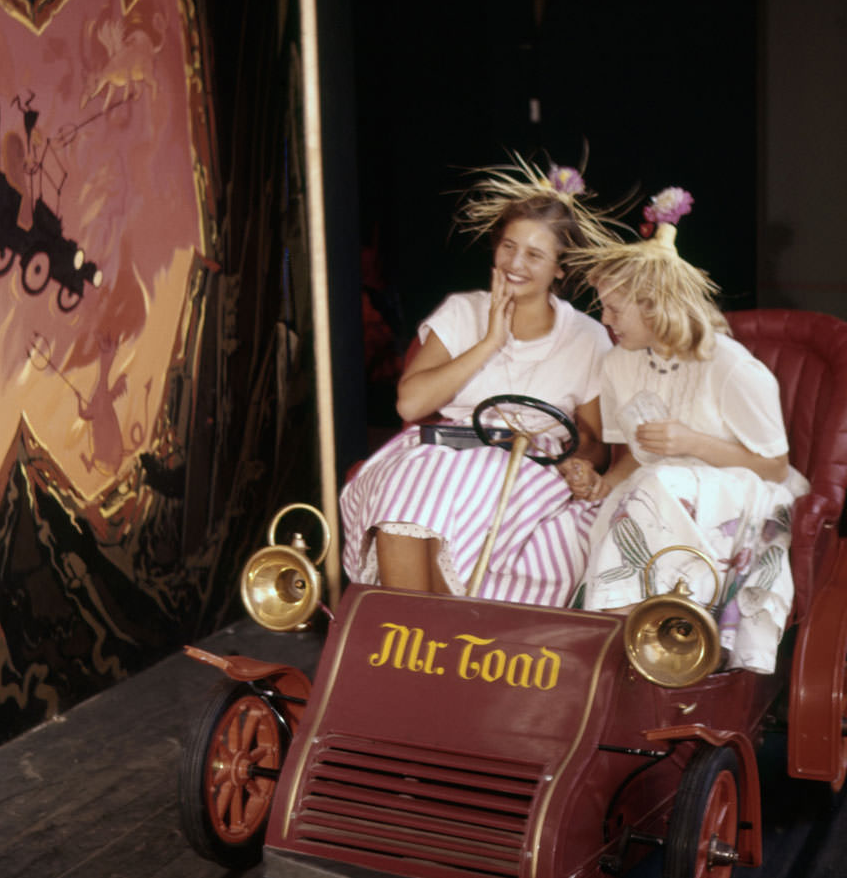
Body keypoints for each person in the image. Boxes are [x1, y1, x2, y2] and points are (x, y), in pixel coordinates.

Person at [339, 156, 620, 607]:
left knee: (450, 510)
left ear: (560, 267)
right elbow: (410, 405)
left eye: (534, 254)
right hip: (446, 451)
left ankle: (451, 648)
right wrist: (490, 341)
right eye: (508, 247)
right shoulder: (464, 311)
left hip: (531, 463)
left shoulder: (587, 337)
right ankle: (410, 648)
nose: (516, 263)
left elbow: (597, 443)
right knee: (401, 507)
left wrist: (576, 463)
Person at [566, 187, 809, 674]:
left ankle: (639, 630)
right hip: (660, 490)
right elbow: (634, 458)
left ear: (655, 306)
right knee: (625, 499)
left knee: (655, 487)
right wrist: (604, 482)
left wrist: (693, 443)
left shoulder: (729, 367)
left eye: (615, 309)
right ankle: (626, 634)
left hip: (745, 492)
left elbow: (775, 466)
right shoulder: (619, 364)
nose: (605, 320)